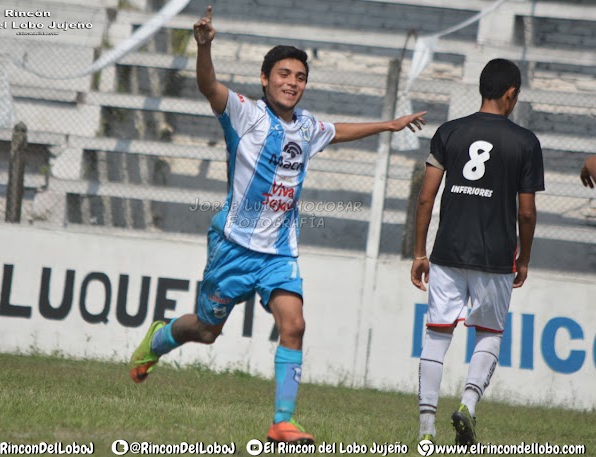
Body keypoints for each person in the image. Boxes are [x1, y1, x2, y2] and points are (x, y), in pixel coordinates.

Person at [129, 5, 426, 445]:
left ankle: (281, 422)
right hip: (233, 247)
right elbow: (209, 86)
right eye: (284, 74)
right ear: (265, 78)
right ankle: (159, 338)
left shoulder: (306, 127)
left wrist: (389, 124)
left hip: (279, 252)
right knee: (207, 331)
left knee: (295, 324)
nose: (292, 82)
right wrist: (205, 46)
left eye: (300, 77)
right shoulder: (245, 115)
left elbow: (339, 129)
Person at [410, 59, 544, 445]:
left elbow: (425, 198)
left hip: (448, 250)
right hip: (496, 255)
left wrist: (420, 252)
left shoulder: (449, 132)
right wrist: (526, 258)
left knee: (436, 336)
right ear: (511, 94)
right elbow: (527, 211)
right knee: (489, 334)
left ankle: (425, 428)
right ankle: (468, 404)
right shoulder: (525, 142)